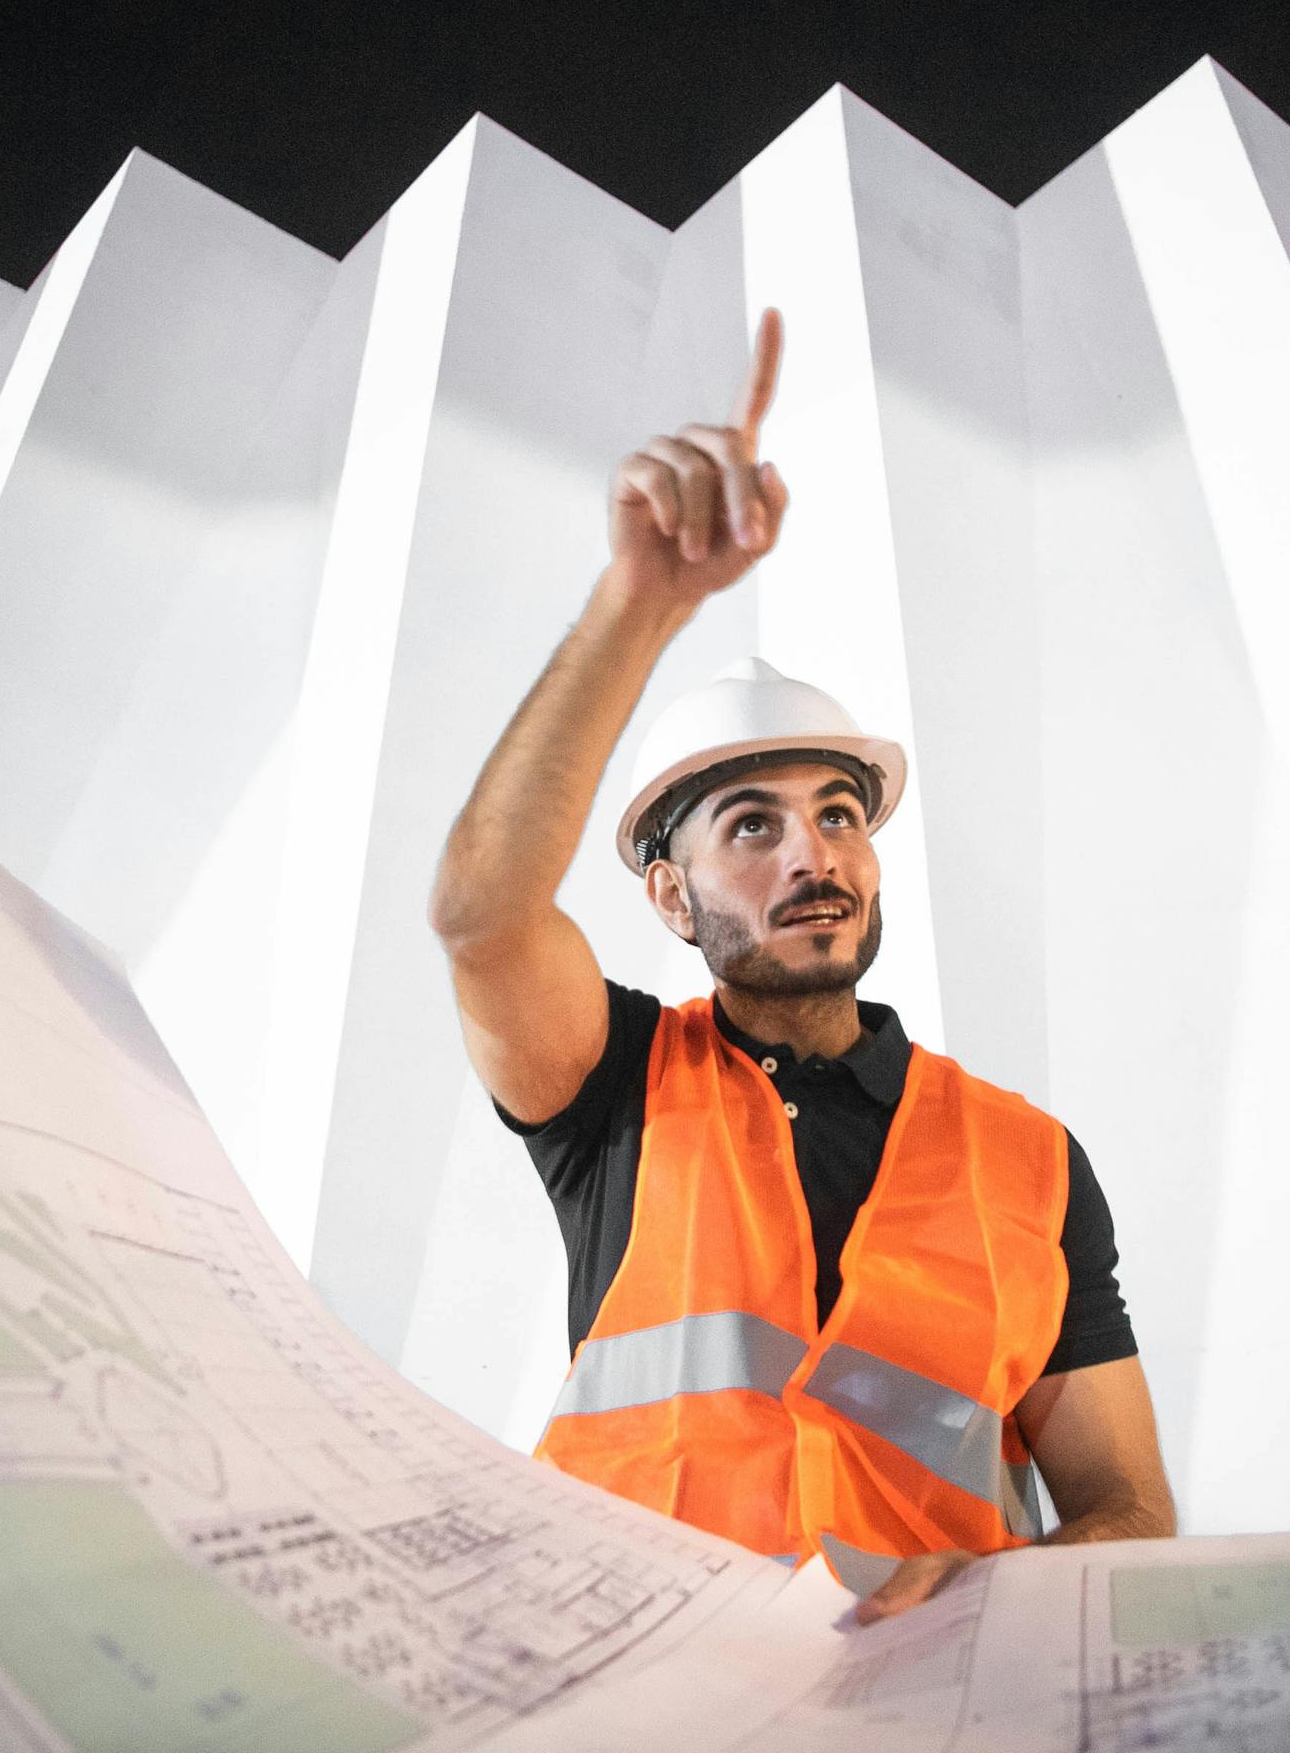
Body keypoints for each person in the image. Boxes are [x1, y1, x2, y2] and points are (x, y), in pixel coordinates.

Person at [427, 307, 1175, 1623]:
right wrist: (640, 604)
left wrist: (1000, 1599)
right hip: (635, 1698)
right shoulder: (615, 1088)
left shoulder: (1031, 1163)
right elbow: (484, 917)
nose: (811, 854)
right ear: (668, 893)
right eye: (752, 826)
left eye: (838, 813)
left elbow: (1127, 1510)